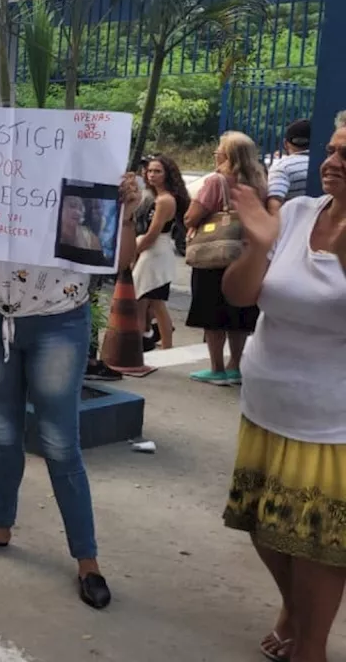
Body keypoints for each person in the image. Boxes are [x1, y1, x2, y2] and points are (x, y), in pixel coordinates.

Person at [0, 169, 140, 611]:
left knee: (59, 443)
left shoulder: (77, 197)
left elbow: (117, 260)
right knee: (3, 432)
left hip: (58, 323)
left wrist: (126, 213)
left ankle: (87, 559)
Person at [220, 121, 346, 662]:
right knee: (264, 528)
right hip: (265, 403)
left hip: (328, 422)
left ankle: (310, 643)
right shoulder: (295, 214)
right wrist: (258, 246)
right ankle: (293, 608)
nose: (332, 159)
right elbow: (240, 295)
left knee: (315, 543)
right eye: (334, 148)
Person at [184, 131, 267, 385]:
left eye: (218, 149)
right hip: (245, 254)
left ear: (228, 154)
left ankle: (216, 367)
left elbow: (192, 216)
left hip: (216, 256)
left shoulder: (216, 181)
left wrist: (192, 221)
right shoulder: (259, 182)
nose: (215, 153)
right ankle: (235, 365)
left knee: (213, 312)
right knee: (238, 312)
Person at [133, 154, 190, 350]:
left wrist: (134, 252)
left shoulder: (165, 200)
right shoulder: (157, 197)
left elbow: (152, 233)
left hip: (155, 252)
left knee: (154, 303)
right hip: (153, 252)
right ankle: (142, 341)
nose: (152, 175)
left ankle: (165, 346)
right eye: (149, 171)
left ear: (167, 174)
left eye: (157, 171)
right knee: (144, 302)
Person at [266, 118, 312, 214]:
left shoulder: (282, 166)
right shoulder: (327, 164)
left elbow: (274, 203)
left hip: (293, 224)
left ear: (286, 144)